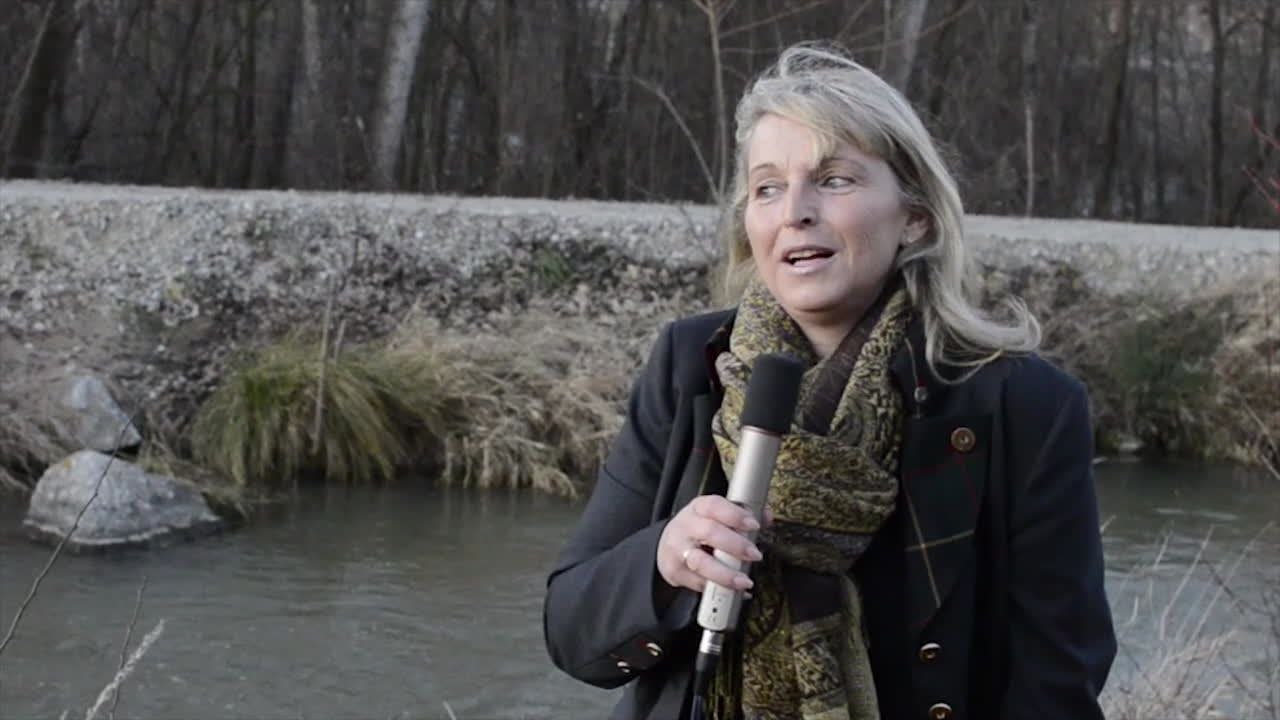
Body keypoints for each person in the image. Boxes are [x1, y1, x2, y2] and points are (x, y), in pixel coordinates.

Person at [543, 42, 1115, 720]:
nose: (795, 211)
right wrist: (662, 563)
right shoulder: (689, 363)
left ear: (915, 216)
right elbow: (570, 631)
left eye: (835, 180)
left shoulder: (1023, 404)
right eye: (767, 188)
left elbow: (1057, 683)